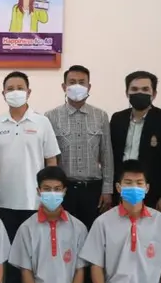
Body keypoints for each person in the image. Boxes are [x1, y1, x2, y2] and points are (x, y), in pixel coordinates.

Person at [0, 70, 59, 283]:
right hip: (4, 201)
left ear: (29, 92)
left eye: (20, 88)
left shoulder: (42, 122)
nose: (15, 92)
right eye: (10, 88)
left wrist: (51, 196)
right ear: (3, 93)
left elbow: (51, 161)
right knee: (8, 256)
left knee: (34, 255)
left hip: (35, 202)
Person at [9, 166, 95, 283]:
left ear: (64, 191)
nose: (52, 194)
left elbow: (80, 273)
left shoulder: (78, 228)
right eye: (47, 189)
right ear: (38, 191)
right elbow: (25, 273)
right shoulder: (26, 228)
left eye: (57, 189)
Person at [45, 65, 114, 229]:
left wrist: (107, 190)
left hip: (93, 190)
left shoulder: (101, 116)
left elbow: (107, 155)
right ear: (64, 87)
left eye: (82, 82)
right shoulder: (50, 117)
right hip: (64, 190)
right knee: (64, 234)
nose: (77, 86)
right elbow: (47, 158)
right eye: (72, 82)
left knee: (92, 234)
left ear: (89, 87)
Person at [110, 71, 161, 213]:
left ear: (154, 94)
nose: (139, 93)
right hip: (121, 187)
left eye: (145, 89)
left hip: (152, 190)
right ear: (127, 93)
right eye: (134, 89)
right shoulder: (118, 119)